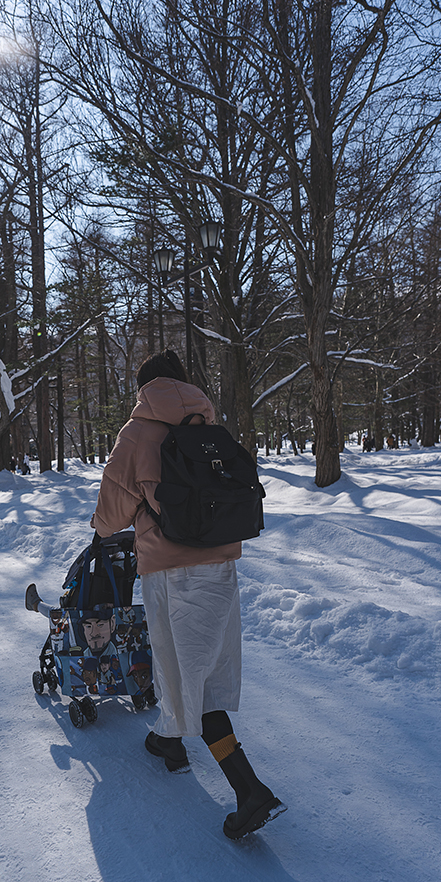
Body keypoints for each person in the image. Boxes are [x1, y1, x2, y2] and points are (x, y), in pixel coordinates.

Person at [90, 350, 286, 840]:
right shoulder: (210, 427)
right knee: (206, 668)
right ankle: (167, 741)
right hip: (221, 565)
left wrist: (101, 531)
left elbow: (112, 513)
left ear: (143, 388)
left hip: (171, 572)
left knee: (187, 676)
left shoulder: (136, 434)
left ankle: (249, 790)